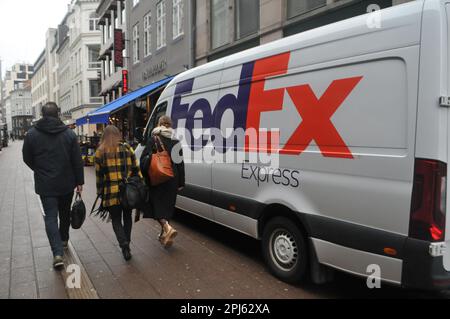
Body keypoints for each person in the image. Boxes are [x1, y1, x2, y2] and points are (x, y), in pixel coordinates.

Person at [22, 102, 84, 269]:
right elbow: (77, 160)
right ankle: (63, 240)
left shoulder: (32, 134)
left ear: (42, 114)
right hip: (66, 182)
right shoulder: (69, 134)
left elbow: (27, 157)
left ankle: (57, 253)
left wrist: (39, 169)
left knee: (50, 217)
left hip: (45, 184)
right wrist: (79, 181)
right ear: (58, 114)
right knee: (64, 214)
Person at [95, 125, 142, 261]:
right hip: (127, 191)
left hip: (111, 192)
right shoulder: (127, 148)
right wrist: (139, 185)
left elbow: (99, 177)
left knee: (116, 220)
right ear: (118, 134)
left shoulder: (100, 152)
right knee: (127, 217)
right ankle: (127, 241)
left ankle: (124, 245)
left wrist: (100, 192)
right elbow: (136, 169)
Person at [141, 116, 185, 248]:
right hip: (173, 178)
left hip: (158, 177)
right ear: (170, 125)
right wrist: (181, 182)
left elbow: (144, 161)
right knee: (167, 206)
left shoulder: (154, 139)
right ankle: (164, 235)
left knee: (156, 206)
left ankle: (166, 227)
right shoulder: (176, 141)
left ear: (159, 124)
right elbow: (180, 164)